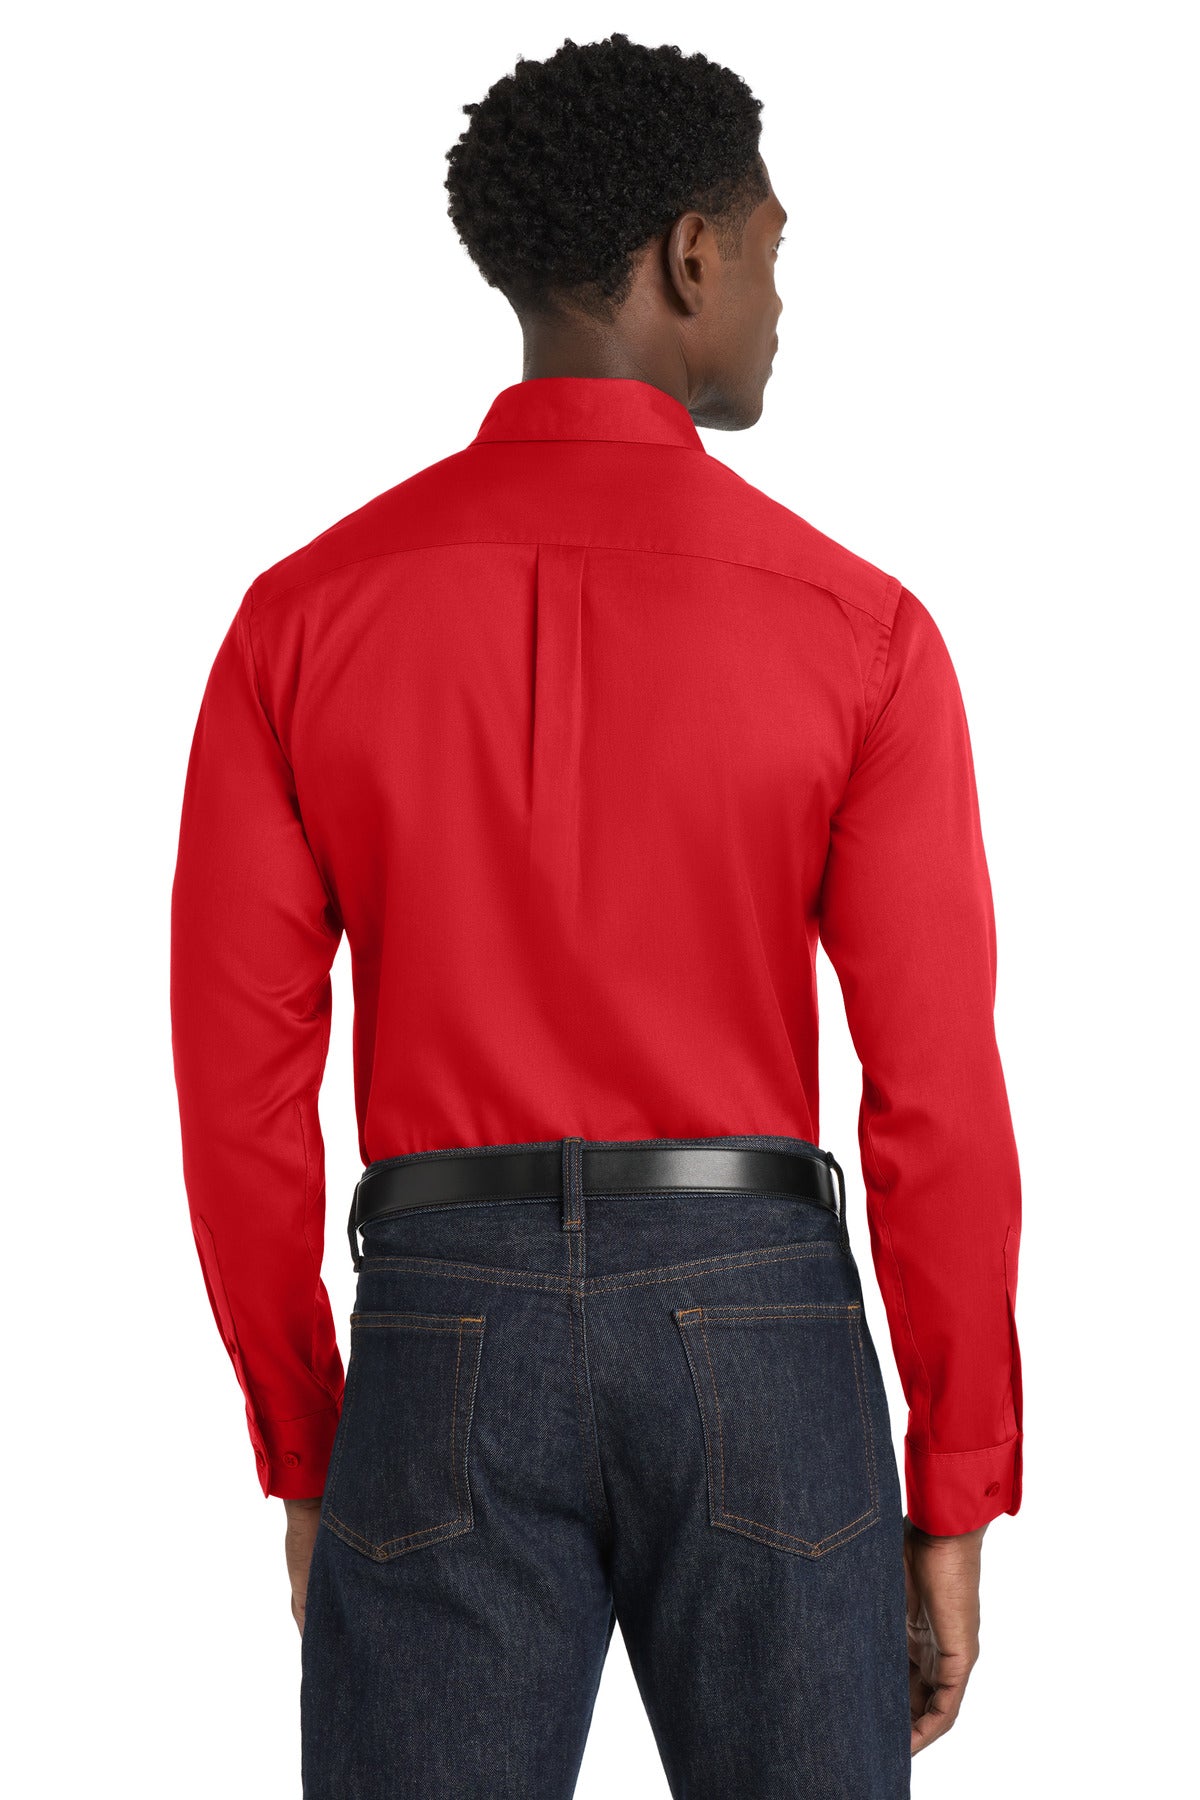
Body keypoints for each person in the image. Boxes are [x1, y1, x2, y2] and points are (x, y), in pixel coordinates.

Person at [170, 31, 1022, 1800]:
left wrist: (309, 1448)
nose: (781, 299)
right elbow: (935, 1087)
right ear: (690, 256)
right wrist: (956, 1483)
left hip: (442, 1328)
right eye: (771, 251)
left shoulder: (301, 619)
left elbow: (235, 1083)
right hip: (759, 1319)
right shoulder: (858, 629)